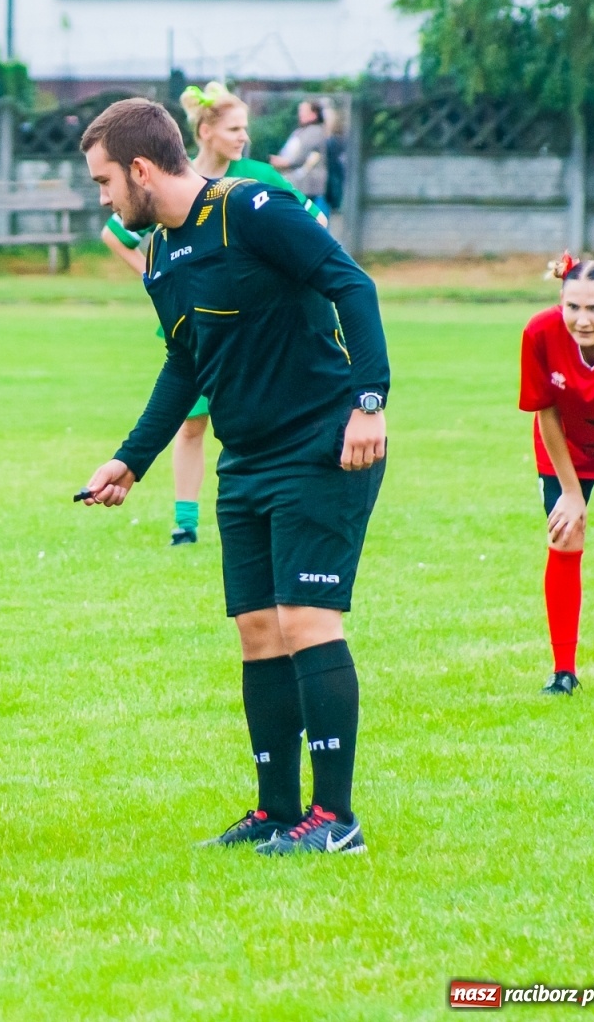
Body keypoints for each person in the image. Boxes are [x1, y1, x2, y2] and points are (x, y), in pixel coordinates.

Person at [79, 98, 389, 856]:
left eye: (105, 181)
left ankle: (335, 818)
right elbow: (186, 363)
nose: (103, 199)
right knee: (257, 633)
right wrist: (132, 458)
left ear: (142, 169)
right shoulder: (161, 257)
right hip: (245, 459)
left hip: (323, 444)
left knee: (307, 622)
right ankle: (278, 810)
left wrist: (369, 402)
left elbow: (354, 285)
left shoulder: (253, 209)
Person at [100, 82, 328, 548]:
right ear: (205, 131)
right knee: (191, 424)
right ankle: (185, 522)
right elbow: (114, 235)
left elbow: (318, 236)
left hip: (262, 336)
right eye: (234, 128)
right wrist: (159, 277)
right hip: (195, 326)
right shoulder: (166, 187)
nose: (243, 137)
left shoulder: (258, 180)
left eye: (245, 128)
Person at [519, 253, 594, 695]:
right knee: (564, 536)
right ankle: (563, 672)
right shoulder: (540, 331)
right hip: (564, 449)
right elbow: (546, 413)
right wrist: (572, 494)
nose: (582, 319)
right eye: (572, 306)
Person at [269, 98, 329, 217]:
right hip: (297, 183)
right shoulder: (300, 131)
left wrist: (285, 163)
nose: (300, 113)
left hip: (309, 186)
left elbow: (301, 156)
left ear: (314, 114)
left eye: (304, 110)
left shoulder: (315, 131)